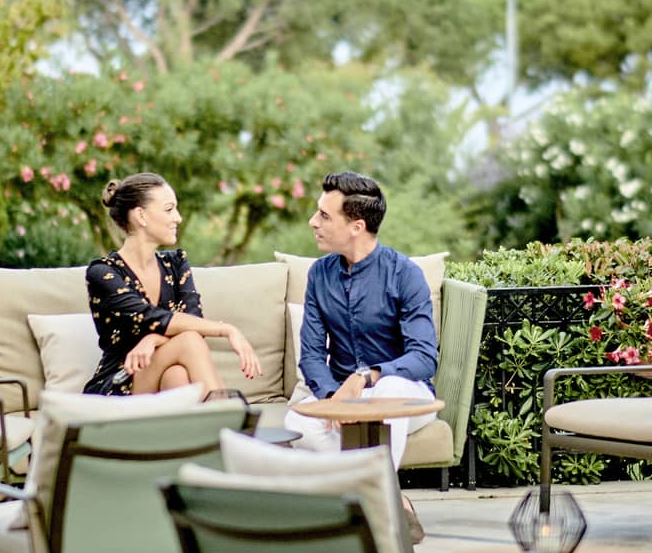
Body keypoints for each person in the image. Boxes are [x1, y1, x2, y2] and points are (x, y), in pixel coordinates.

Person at [285, 171, 439, 469]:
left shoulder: (405, 274)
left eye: (324, 216)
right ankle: (373, 484)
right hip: (343, 394)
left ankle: (370, 486)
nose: (313, 222)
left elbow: (424, 357)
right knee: (298, 421)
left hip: (405, 395)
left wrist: (367, 376)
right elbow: (312, 356)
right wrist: (334, 398)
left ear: (357, 226)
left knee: (390, 390)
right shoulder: (319, 275)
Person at [84, 172, 260, 396]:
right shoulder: (103, 272)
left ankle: (210, 416)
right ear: (141, 216)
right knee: (189, 341)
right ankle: (225, 412)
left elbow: (193, 319)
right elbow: (148, 317)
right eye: (169, 210)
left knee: (176, 375)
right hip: (120, 382)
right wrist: (227, 329)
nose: (178, 218)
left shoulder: (175, 263)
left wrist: (153, 339)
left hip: (159, 379)